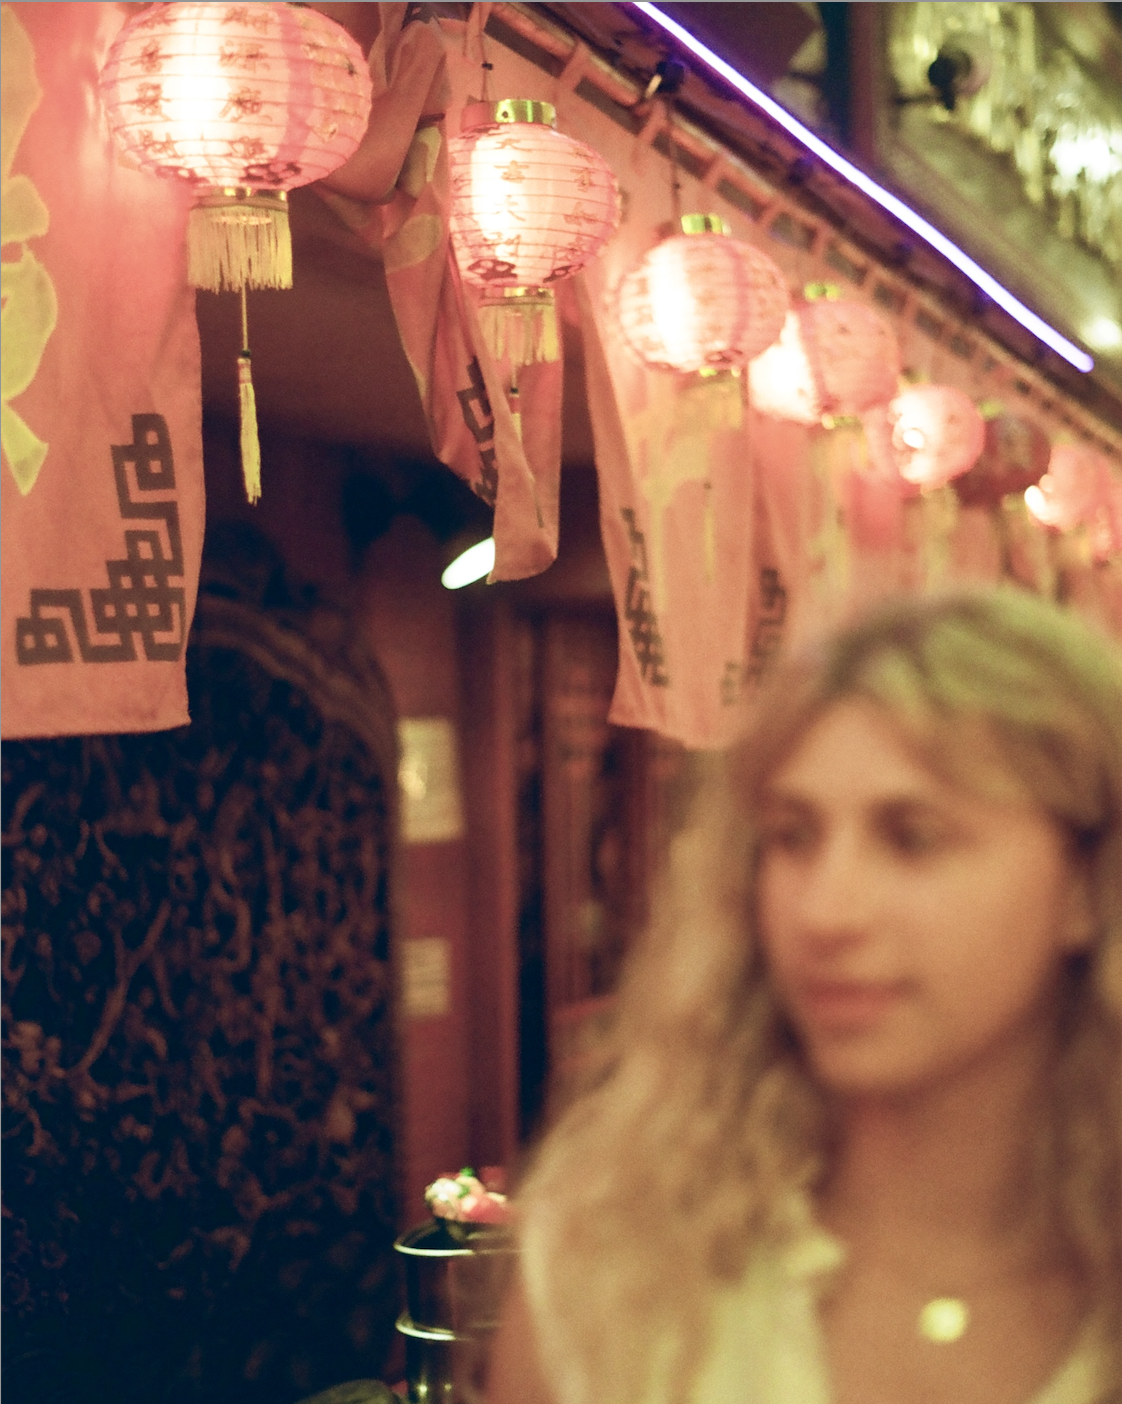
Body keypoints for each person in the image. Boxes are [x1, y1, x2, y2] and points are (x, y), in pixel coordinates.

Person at [484, 588, 1122, 1404]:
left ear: (1083, 886)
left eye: (912, 837)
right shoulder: (611, 1289)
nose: (825, 912)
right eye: (793, 837)